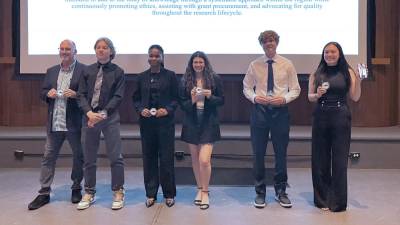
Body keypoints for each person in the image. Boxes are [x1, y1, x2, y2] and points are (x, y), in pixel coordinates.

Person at [243, 30, 301, 209]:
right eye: (265, 41)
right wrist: (254, 98)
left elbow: (296, 89)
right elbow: (246, 87)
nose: (269, 43)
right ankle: (260, 193)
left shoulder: (287, 64)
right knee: (258, 153)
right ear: (261, 44)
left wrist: (284, 99)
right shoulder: (254, 64)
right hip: (260, 111)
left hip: (280, 111)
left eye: (272, 40)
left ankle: (281, 191)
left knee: (280, 154)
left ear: (277, 43)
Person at [28, 39, 85, 210]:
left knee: (78, 156)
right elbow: (42, 92)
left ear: (75, 51)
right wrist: (48, 94)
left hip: (74, 122)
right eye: (62, 49)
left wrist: (76, 94)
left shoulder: (84, 71)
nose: (65, 52)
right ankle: (44, 192)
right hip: (55, 122)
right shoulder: (51, 71)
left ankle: (76, 188)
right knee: (48, 157)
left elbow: (87, 94)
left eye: (68, 49)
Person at [308, 42, 361, 212]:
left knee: (339, 160)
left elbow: (355, 97)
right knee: (320, 158)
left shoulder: (348, 72)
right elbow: (310, 97)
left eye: (333, 51)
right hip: (321, 117)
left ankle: (338, 202)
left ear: (339, 54)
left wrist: (358, 80)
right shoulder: (316, 73)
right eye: (326, 52)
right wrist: (317, 94)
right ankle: (322, 199)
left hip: (340, 117)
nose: (329, 54)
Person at [77, 37, 126, 210]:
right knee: (89, 158)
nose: (101, 50)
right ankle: (89, 191)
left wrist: (104, 113)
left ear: (111, 51)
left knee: (115, 157)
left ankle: (118, 191)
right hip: (89, 118)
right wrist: (89, 113)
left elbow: (118, 96)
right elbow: (80, 94)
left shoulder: (118, 72)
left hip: (109, 118)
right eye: (98, 47)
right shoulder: (87, 70)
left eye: (105, 47)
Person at [132, 44, 178, 208]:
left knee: (166, 159)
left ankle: (169, 194)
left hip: (165, 123)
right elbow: (136, 99)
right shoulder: (141, 77)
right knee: (149, 158)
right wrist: (140, 109)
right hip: (147, 124)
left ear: (162, 57)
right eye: (151, 55)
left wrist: (167, 110)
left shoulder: (171, 76)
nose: (153, 58)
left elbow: (176, 99)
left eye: (157, 56)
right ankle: (151, 193)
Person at [179, 51, 224, 210]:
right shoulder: (185, 80)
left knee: (204, 160)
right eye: (195, 62)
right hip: (191, 123)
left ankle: (206, 191)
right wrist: (192, 99)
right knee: (195, 159)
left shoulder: (214, 79)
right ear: (191, 64)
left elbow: (222, 100)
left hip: (208, 123)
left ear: (205, 63)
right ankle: (199, 188)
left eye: (201, 62)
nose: (198, 65)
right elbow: (182, 105)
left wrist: (210, 95)